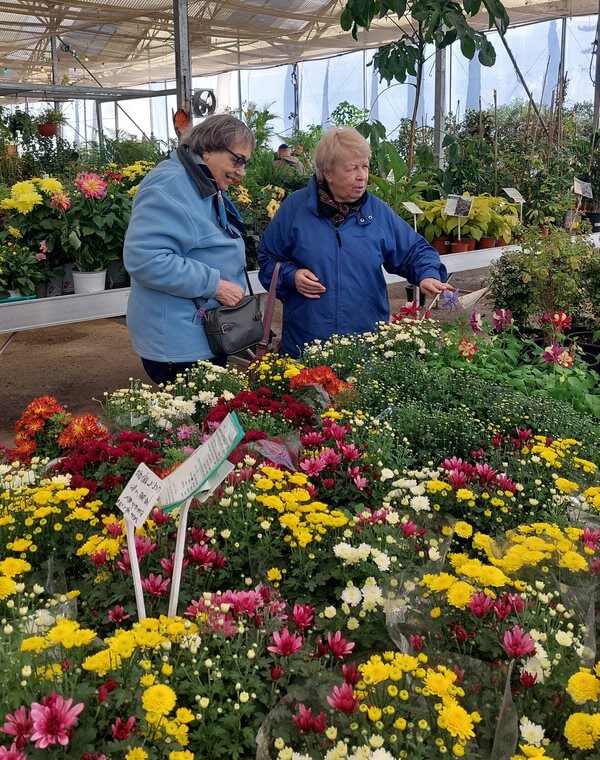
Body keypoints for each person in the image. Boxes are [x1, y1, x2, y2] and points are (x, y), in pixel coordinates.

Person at [258, 127, 452, 358]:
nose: (363, 176)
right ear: (328, 172)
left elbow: (414, 251)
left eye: (365, 166)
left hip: (365, 345)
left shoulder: (377, 213)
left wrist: (427, 274)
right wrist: (292, 276)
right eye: (352, 168)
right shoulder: (295, 209)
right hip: (307, 344)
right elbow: (268, 260)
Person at [124, 114, 256, 384]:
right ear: (208, 149)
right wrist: (215, 285)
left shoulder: (198, 180)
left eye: (245, 163)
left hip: (199, 333)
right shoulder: (169, 186)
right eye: (237, 160)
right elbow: (146, 259)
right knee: (192, 421)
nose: (241, 171)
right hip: (179, 342)